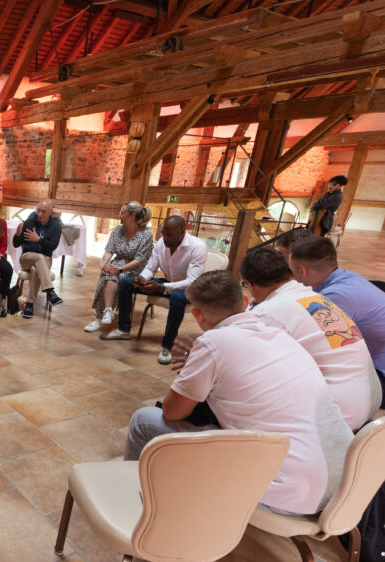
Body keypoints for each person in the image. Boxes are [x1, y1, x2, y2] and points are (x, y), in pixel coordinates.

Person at [125, 271, 352, 516]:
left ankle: (131, 498)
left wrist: (194, 370)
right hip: (344, 484)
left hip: (292, 494)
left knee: (144, 420)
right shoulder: (281, 336)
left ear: (197, 314)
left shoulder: (213, 343)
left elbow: (173, 412)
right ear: (245, 302)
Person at [240, 247, 380, 431]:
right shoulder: (316, 297)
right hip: (368, 400)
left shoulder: (267, 312)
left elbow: (248, 367)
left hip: (334, 416)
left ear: (250, 286)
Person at [287, 236, 385, 410]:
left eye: (291, 271)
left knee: (294, 388)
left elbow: (310, 344)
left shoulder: (336, 297)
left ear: (303, 270)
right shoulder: (348, 278)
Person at [117, 215, 207, 364]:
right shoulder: (161, 243)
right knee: (127, 282)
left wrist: (163, 287)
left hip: (189, 289)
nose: (165, 238)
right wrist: (143, 279)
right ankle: (123, 329)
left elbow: (192, 281)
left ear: (182, 231)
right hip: (167, 283)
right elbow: (151, 267)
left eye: (169, 234)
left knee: (177, 297)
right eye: (163, 233)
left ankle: (167, 346)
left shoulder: (197, 247)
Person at [85, 201, 154, 337]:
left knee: (117, 275)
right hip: (118, 262)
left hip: (136, 268)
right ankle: (106, 312)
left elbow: (140, 259)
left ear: (132, 216)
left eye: (122, 213)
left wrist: (120, 269)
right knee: (107, 272)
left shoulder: (146, 234)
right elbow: (109, 251)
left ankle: (103, 314)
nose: (119, 215)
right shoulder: (118, 230)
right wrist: (103, 263)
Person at [13, 199, 63, 319]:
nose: (39, 214)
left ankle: (29, 305)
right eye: (38, 211)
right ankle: (50, 291)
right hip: (26, 258)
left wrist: (38, 240)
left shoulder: (56, 226)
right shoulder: (30, 222)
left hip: (45, 260)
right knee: (39, 258)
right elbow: (16, 244)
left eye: (43, 211)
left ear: (51, 212)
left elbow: (52, 247)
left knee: (36, 269)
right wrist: (17, 235)